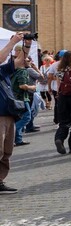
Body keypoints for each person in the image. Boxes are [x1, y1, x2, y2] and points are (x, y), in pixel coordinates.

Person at [0, 33, 25, 193]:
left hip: (9, 114)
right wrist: (12, 42)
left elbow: (19, 62)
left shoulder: (2, 71)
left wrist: (26, 46)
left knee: (7, 151)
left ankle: (0, 180)